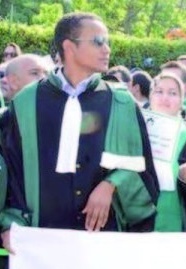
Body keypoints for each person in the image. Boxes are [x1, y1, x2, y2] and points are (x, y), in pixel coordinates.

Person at [1, 12, 159, 250]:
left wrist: (111, 184)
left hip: (101, 237)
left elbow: (141, 166)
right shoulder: (26, 103)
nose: (106, 49)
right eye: (98, 41)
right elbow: (9, 168)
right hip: (39, 236)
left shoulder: (122, 104)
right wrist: (7, 225)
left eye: (107, 42)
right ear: (69, 47)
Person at [148, 72, 186, 231]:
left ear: (182, 101)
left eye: (173, 93)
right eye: (159, 91)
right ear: (150, 96)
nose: (165, 98)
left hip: (174, 217)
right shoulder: (135, 127)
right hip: (135, 217)